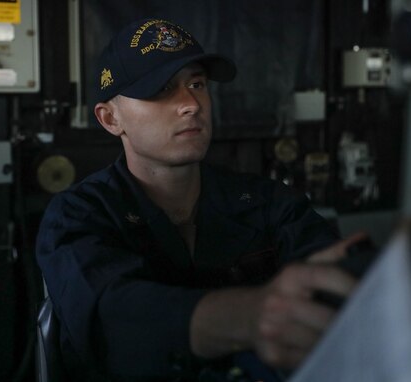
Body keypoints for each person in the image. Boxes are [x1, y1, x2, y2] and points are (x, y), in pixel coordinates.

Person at [36, 18, 364, 381]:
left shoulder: (268, 202)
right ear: (111, 118)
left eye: (197, 84)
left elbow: (329, 279)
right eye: (161, 89)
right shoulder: (79, 216)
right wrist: (249, 316)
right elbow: (111, 314)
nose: (191, 104)